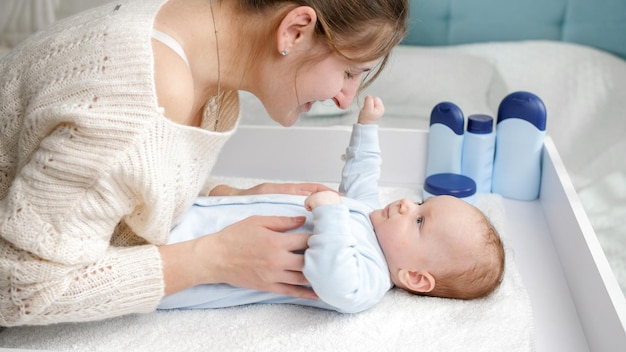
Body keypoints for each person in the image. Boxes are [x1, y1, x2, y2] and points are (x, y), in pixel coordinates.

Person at [0, 0, 409, 326]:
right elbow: (21, 287)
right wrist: (209, 259)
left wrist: (224, 194)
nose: (345, 98)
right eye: (350, 72)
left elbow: (125, 172)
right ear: (295, 30)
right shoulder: (140, 100)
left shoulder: (193, 36)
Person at [159, 96, 506, 313]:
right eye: (418, 204)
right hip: (195, 214)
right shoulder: (372, 220)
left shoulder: (369, 277)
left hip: (189, 271)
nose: (404, 205)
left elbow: (334, 279)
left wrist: (330, 211)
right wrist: (368, 127)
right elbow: (364, 175)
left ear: (414, 276)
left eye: (419, 221)